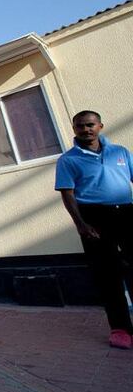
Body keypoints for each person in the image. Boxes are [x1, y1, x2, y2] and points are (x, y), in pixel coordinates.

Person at [55, 110, 133, 349]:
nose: (86, 129)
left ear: (100, 125)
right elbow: (68, 194)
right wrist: (81, 224)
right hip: (94, 217)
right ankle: (120, 329)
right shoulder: (68, 160)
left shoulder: (120, 152)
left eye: (90, 125)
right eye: (80, 126)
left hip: (127, 212)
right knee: (107, 274)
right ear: (74, 129)